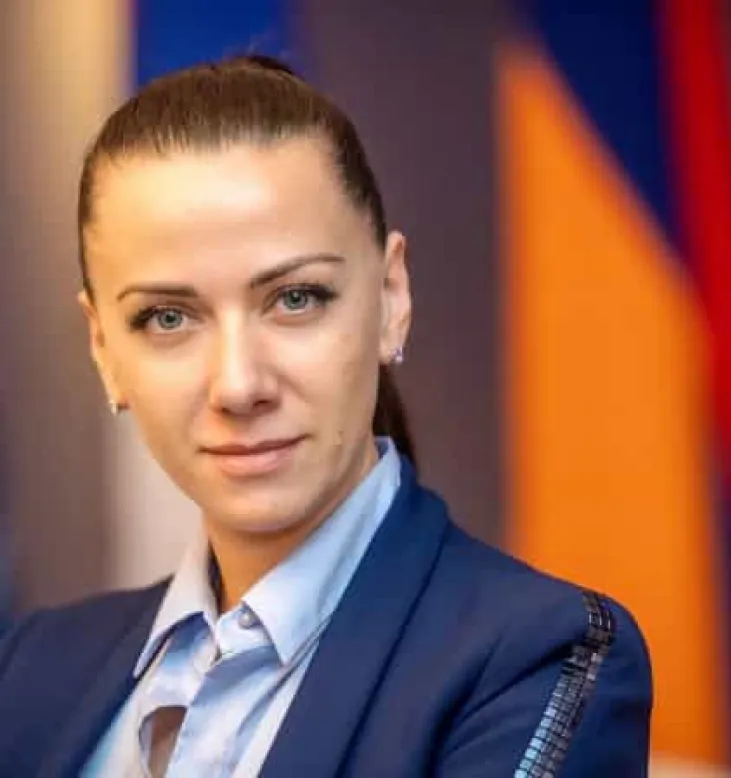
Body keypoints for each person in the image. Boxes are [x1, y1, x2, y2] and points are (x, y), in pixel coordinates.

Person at [0, 56, 651, 777]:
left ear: (391, 297)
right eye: (167, 317)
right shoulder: (31, 669)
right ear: (103, 348)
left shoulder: (539, 661)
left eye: (296, 299)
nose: (238, 385)